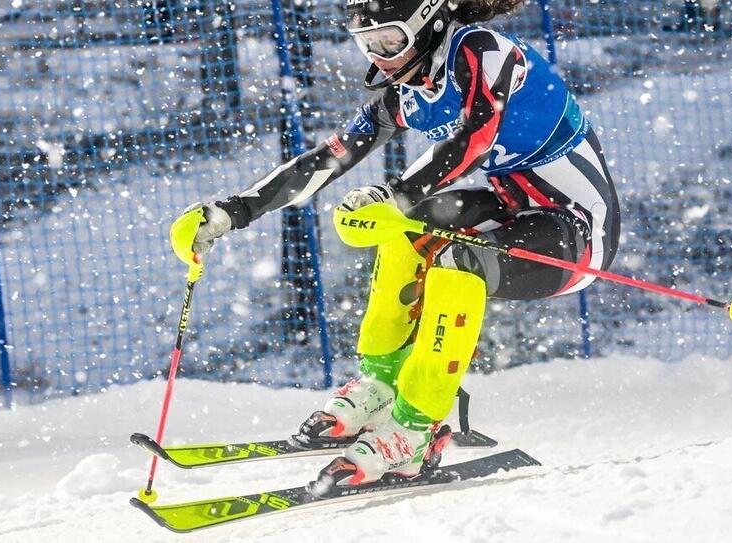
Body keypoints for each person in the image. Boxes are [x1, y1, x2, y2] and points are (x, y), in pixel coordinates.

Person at [173, 0, 620, 491]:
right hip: (512, 203)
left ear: (426, 24)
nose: (382, 56)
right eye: (368, 43)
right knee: (407, 229)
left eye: (391, 40)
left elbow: (475, 135)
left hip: (576, 230)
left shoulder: (480, 50)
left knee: (457, 260)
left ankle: (414, 430)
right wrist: (232, 212)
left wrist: (398, 195)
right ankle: (381, 385)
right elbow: (329, 157)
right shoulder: (408, 92)